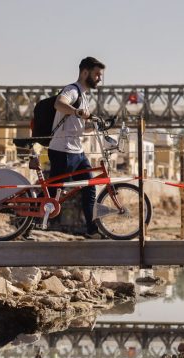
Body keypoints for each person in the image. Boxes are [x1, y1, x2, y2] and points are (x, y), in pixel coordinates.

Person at [49, 56, 105, 239]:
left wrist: (94, 124)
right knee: (52, 193)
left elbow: (77, 124)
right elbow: (59, 103)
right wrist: (76, 111)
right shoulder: (72, 90)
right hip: (63, 150)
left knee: (90, 187)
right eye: (97, 74)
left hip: (77, 151)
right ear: (85, 72)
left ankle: (92, 230)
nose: (99, 78)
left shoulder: (84, 96)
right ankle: (28, 225)